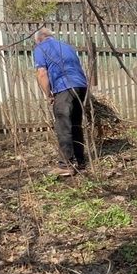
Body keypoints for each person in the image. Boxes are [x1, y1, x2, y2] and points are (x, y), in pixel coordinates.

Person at [32, 26, 90, 177]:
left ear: (39, 39)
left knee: (63, 125)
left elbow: (42, 73)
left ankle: (65, 165)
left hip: (64, 87)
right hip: (81, 85)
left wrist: (49, 94)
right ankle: (81, 161)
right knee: (76, 124)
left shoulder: (41, 48)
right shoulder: (67, 46)